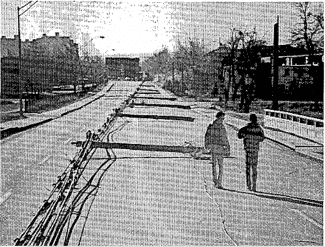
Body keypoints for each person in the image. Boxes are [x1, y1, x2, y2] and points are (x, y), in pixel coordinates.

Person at [238, 113, 265, 192]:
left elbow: (239, 135)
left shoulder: (246, 128)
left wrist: (247, 137)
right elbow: (262, 138)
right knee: (254, 168)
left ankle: (248, 185)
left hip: (248, 150)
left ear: (250, 119)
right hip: (255, 150)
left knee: (248, 168)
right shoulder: (259, 129)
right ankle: (254, 185)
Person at [205, 111, 230, 189]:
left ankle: (218, 182)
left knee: (219, 166)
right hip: (215, 147)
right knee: (215, 165)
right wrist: (207, 145)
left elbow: (225, 137)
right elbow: (207, 136)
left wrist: (228, 146)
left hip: (219, 147)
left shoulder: (219, 126)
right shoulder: (212, 126)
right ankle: (216, 181)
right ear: (218, 117)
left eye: (223, 119)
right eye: (221, 118)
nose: (222, 120)